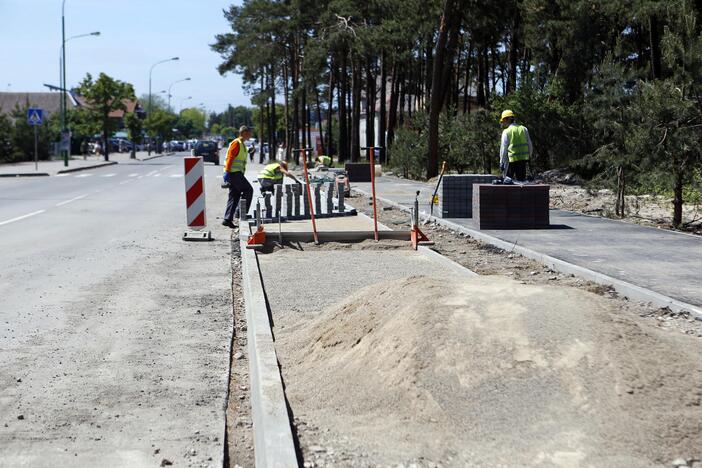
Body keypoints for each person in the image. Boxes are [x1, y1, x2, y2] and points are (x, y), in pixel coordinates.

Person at [222, 126, 254, 228]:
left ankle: (227, 219)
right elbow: (230, 158)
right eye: (249, 133)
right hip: (233, 173)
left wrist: (249, 150)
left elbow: (241, 155)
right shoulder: (237, 143)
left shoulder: (242, 145)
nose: (251, 135)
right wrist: (226, 172)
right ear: (244, 133)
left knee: (234, 196)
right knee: (248, 190)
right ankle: (240, 213)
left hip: (235, 173)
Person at [499, 110, 533, 182]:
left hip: (511, 162)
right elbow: (530, 144)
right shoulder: (524, 129)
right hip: (523, 161)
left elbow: (503, 149)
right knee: (521, 182)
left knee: (507, 182)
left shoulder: (506, 131)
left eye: (503, 120)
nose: (503, 123)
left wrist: (502, 162)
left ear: (506, 119)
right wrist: (529, 156)